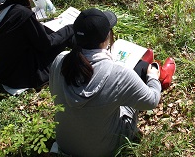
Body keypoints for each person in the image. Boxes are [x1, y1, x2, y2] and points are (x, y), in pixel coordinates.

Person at [49, 8, 175, 157]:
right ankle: (160, 75)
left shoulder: (60, 60)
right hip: (103, 149)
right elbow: (152, 101)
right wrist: (153, 78)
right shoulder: (118, 74)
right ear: (107, 38)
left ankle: (143, 66)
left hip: (66, 143)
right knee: (135, 88)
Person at [0, 0, 74, 91]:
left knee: (57, 34)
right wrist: (70, 28)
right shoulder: (23, 14)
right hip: (23, 77)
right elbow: (46, 44)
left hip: (4, 72)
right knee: (65, 39)